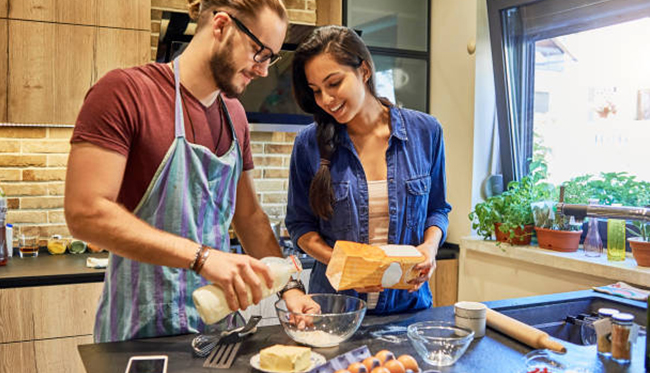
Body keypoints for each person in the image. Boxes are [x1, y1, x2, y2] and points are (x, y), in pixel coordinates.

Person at [64, 0, 317, 343]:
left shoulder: (235, 116)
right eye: (259, 52)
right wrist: (203, 258)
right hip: (137, 336)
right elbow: (86, 212)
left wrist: (289, 285)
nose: (262, 71)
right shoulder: (125, 92)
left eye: (270, 58)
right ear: (221, 25)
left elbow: (250, 218)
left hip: (216, 335)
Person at [285, 26, 452, 314]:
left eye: (333, 83)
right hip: (334, 310)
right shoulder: (308, 144)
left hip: (409, 309)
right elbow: (300, 227)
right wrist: (346, 264)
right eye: (316, 91)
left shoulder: (426, 132)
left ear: (364, 70)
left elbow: (438, 209)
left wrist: (429, 247)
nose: (325, 100)